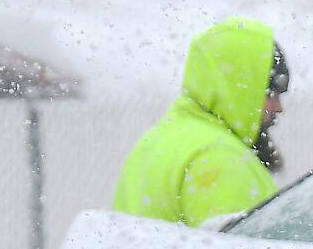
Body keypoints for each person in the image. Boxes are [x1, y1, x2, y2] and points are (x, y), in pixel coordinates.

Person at [113, 16, 289, 227]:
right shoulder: (219, 160)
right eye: (271, 93)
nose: (279, 107)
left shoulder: (157, 142)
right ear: (241, 88)